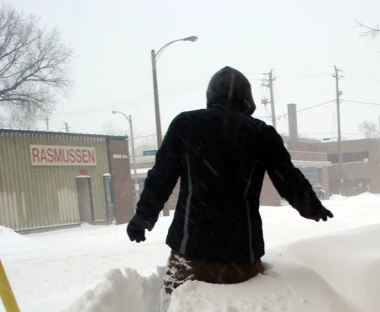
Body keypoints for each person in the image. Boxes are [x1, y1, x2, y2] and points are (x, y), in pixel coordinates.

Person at [126, 66, 333, 292]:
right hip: (242, 254)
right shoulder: (260, 133)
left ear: (211, 94)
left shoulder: (186, 124)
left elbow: (160, 177)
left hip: (190, 251)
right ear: (247, 99)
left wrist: (143, 218)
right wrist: (311, 207)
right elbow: (287, 177)